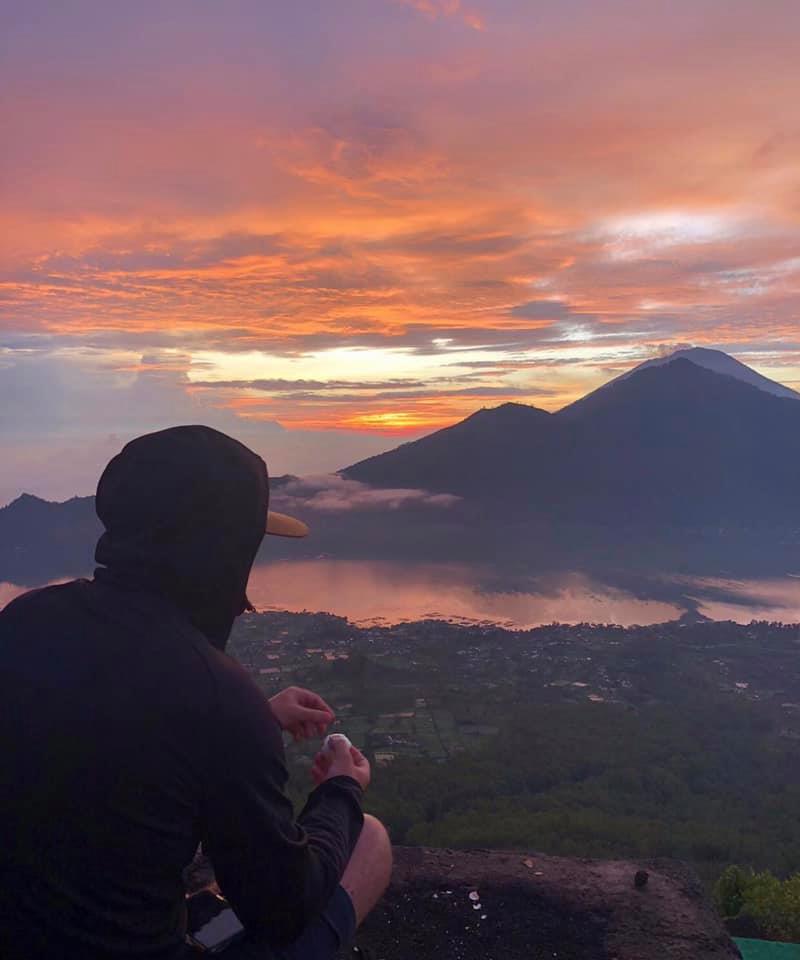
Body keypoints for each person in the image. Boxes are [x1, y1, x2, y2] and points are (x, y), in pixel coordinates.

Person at [0, 425, 392, 960]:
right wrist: (341, 789)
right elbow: (281, 908)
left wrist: (256, 716)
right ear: (226, 554)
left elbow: (93, 732)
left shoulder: (24, 621)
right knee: (369, 839)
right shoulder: (214, 692)